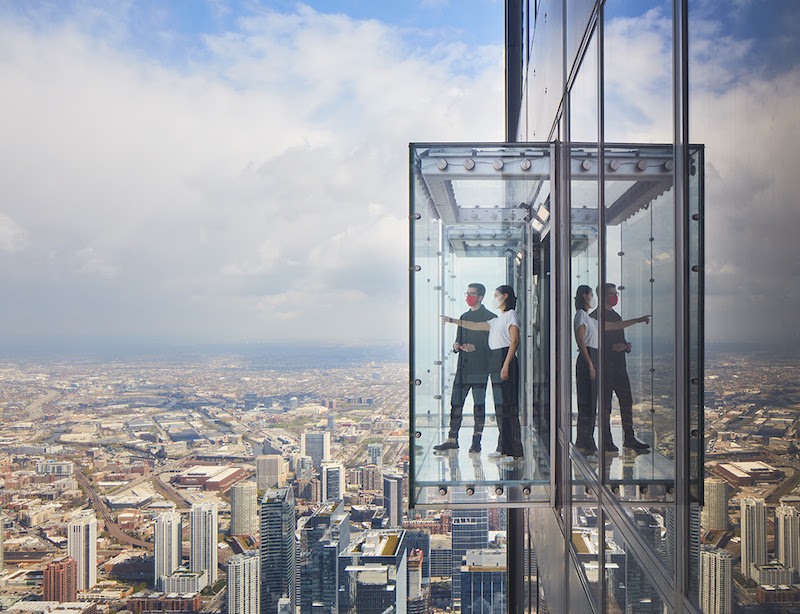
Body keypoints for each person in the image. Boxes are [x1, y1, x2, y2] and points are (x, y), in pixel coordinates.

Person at [442, 285, 523, 461]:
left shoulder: (510, 316)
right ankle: (504, 448)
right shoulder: (498, 319)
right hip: (495, 363)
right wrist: (453, 321)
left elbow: (515, 341)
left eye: (496, 295)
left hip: (502, 361)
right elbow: (475, 326)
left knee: (508, 407)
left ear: (505, 296)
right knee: (501, 409)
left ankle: (514, 451)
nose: (494, 299)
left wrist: (506, 364)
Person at [434, 283, 496, 453]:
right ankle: (452, 439)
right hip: (462, 369)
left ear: (480, 297)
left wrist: (476, 348)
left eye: (472, 294)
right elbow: (458, 340)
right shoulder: (463, 316)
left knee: (478, 406)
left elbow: (494, 347)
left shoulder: (491, 317)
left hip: (480, 370)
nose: (468, 297)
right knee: (456, 404)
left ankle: (477, 442)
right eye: (467, 293)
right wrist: (456, 346)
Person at [591, 283, 651, 451]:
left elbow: (616, 336)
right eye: (612, 293)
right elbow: (593, 344)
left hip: (619, 366)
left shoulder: (616, 316)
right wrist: (611, 348)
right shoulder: (595, 316)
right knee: (606, 406)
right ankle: (606, 440)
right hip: (605, 367)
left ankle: (629, 438)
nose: (615, 296)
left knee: (626, 402)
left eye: (616, 293)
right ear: (602, 295)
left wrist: (625, 346)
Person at [574, 285, 599, 455]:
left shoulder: (590, 318)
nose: (592, 298)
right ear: (584, 296)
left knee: (591, 405)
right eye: (591, 295)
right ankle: (584, 443)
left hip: (591, 358)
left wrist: (637, 320)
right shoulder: (580, 315)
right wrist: (590, 364)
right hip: (586, 360)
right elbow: (581, 341)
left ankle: (587, 442)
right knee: (586, 405)